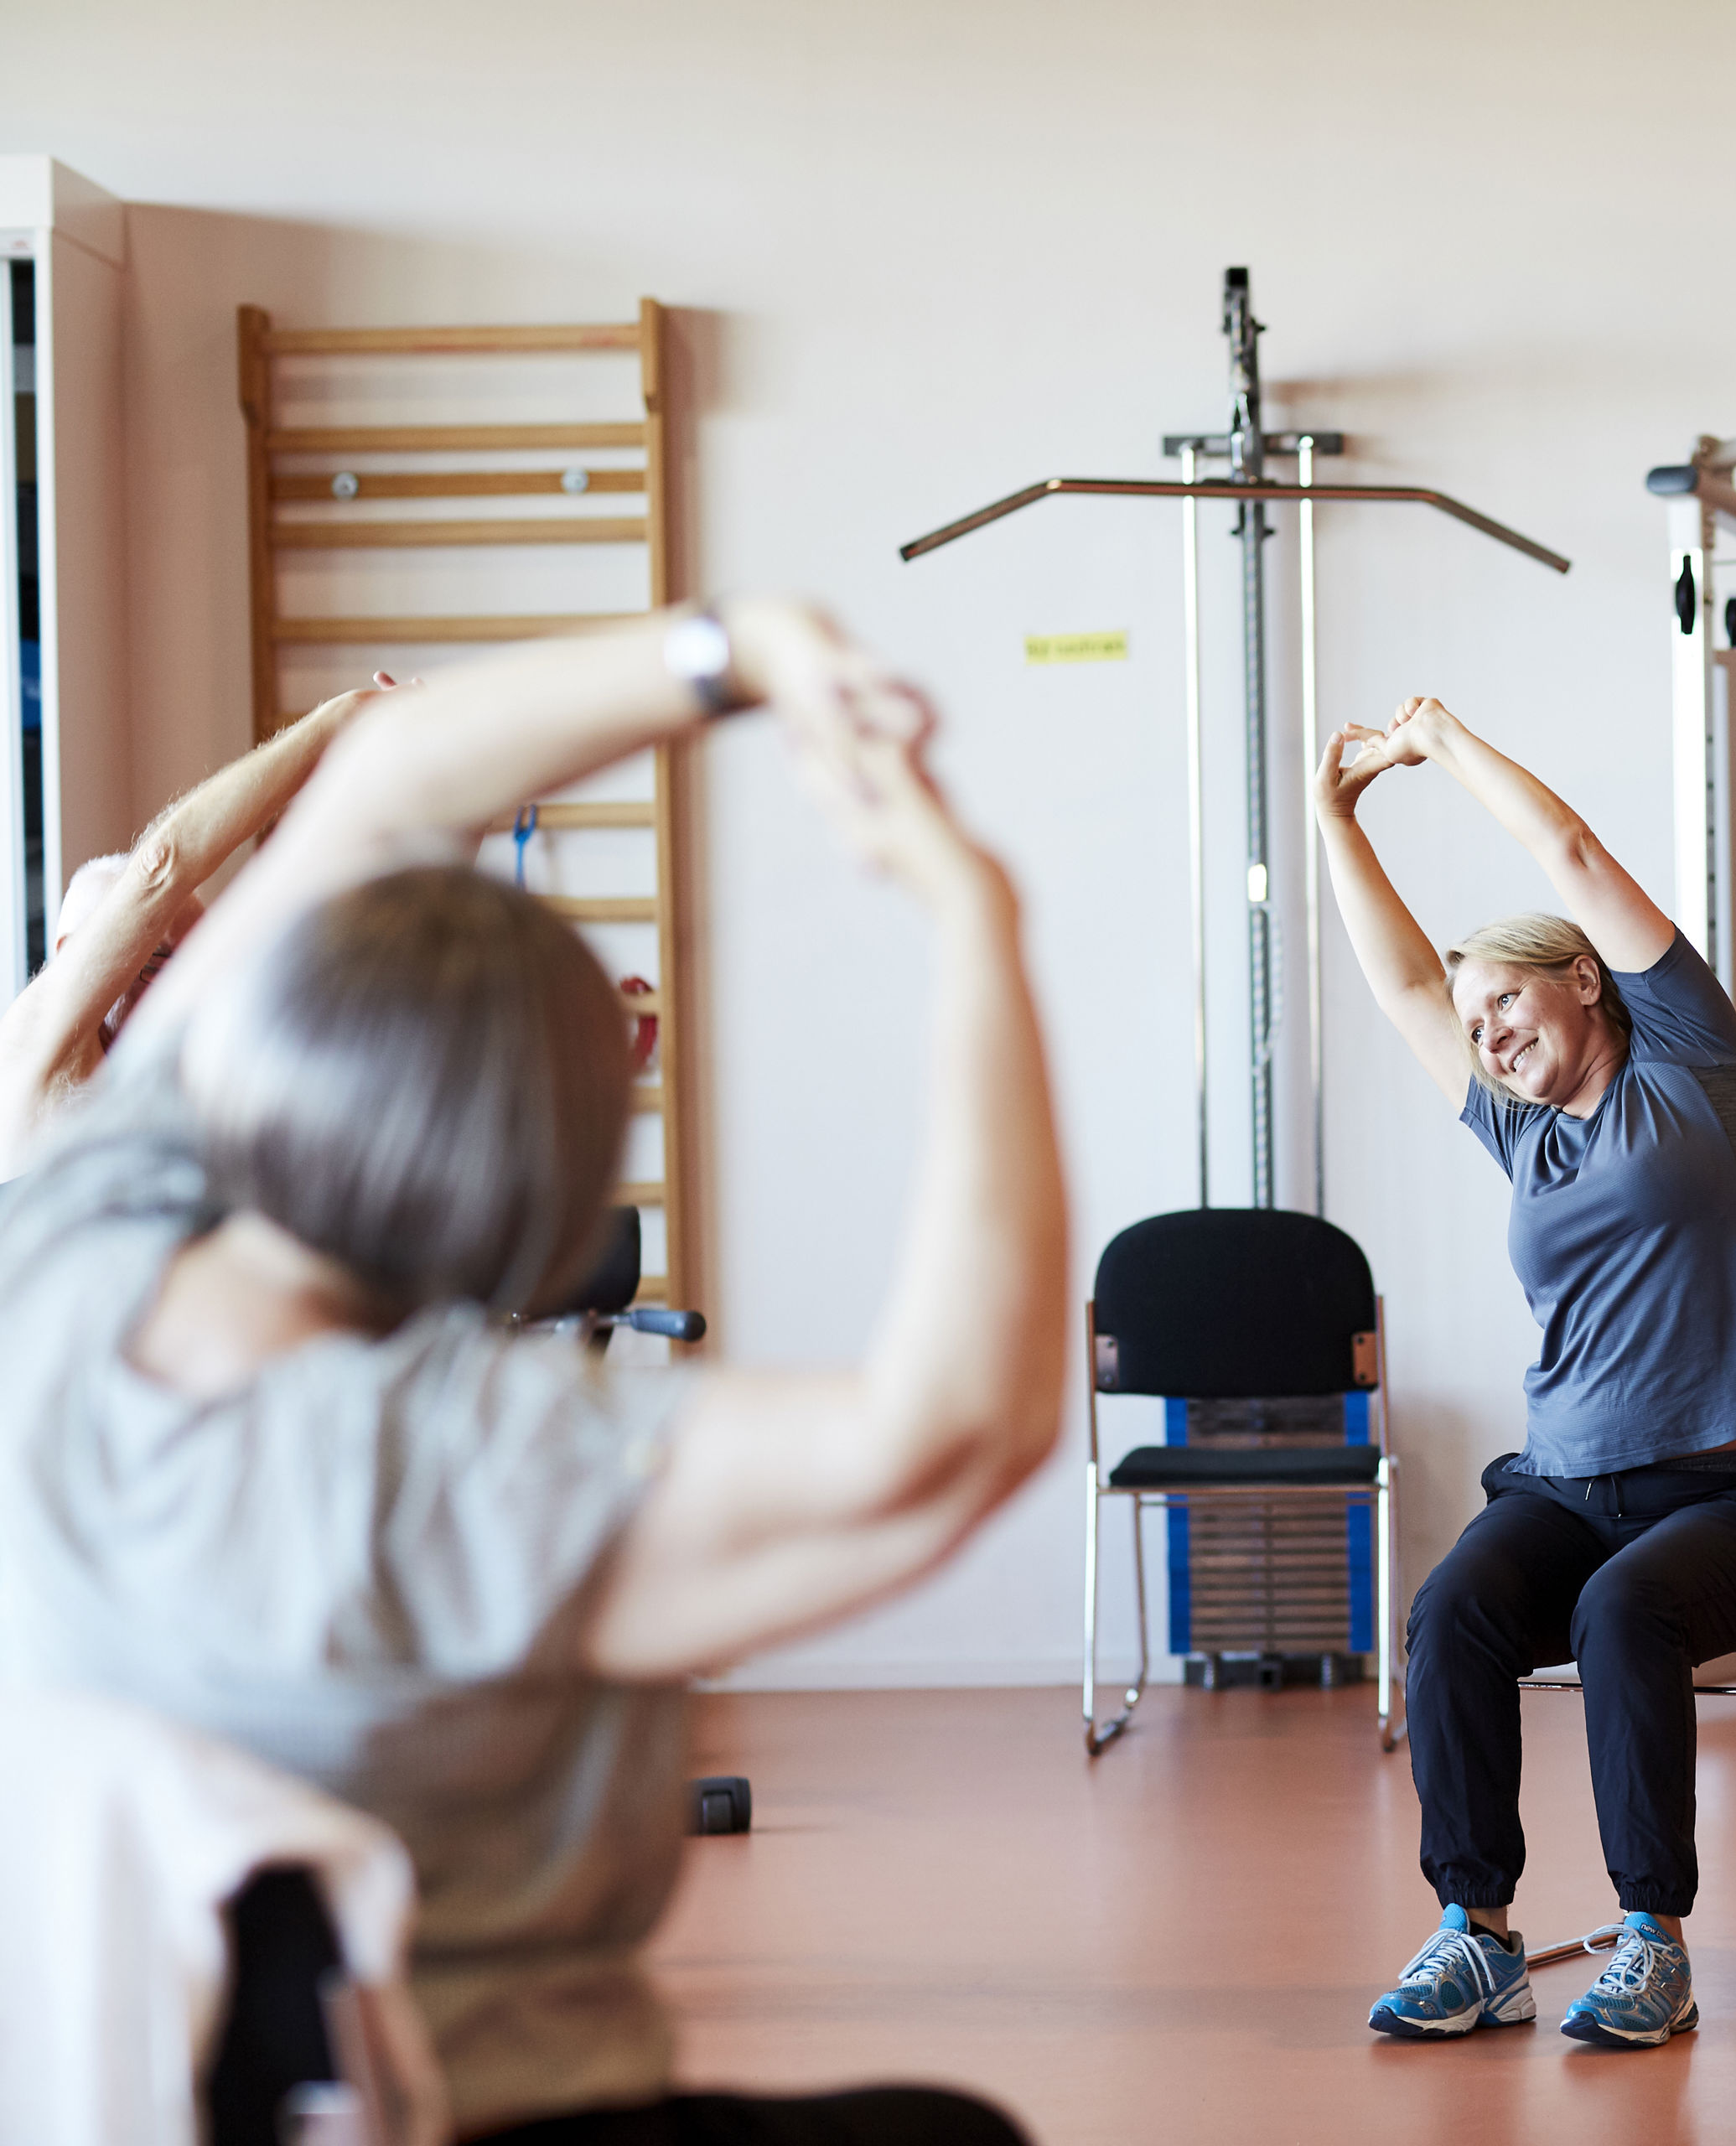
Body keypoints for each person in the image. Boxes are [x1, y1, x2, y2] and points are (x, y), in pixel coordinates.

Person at [0, 604, 1066, 2144]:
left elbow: (387, 784)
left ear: (252, 1043)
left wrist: (736, 649)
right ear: (554, 1198)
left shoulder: (63, 1243)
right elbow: (952, 1432)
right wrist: (976, 922)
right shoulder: (458, 1472)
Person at [1312, 695, 1736, 2052]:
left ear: (1586, 981)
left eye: (1508, 999)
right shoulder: (1521, 1135)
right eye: (1474, 1019)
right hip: (1569, 1488)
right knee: (1458, 1609)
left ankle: (1652, 1940)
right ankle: (1479, 1936)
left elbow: (1579, 856)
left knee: (1621, 1614)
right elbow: (1405, 988)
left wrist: (1443, 745)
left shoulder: (1696, 1076)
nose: (1482, 1032)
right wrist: (1335, 819)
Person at [0, 673, 390, 1179]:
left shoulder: (182, 1069)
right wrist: (339, 722)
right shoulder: (33, 1044)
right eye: (155, 958)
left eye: (193, 962)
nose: (178, 988)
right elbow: (162, 866)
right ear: (71, 950)